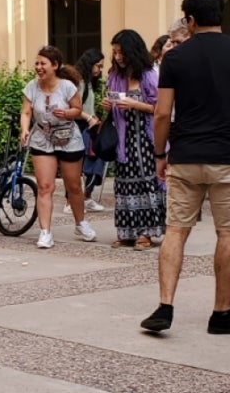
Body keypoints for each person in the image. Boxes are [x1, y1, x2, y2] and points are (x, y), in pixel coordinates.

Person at [142, 0, 230, 335]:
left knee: (175, 231)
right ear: (221, 16)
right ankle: (222, 313)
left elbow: (162, 114)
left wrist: (160, 154)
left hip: (185, 157)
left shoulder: (175, 58)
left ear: (190, 19)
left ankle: (165, 306)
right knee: (228, 234)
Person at [20, 46, 97, 249]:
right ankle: (45, 232)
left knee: (73, 186)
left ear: (55, 65)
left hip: (67, 137)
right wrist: (24, 130)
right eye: (36, 63)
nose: (38, 67)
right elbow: (26, 112)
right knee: (45, 187)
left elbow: (78, 109)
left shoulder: (67, 87)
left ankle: (80, 223)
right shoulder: (31, 87)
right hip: (42, 137)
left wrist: (67, 113)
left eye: (43, 63)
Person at [101, 29, 164, 250]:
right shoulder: (114, 76)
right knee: (125, 185)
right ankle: (127, 231)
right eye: (115, 52)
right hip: (123, 139)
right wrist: (108, 104)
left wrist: (137, 105)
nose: (118, 57)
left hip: (145, 140)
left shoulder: (148, 75)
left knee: (146, 182)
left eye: (121, 52)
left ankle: (146, 232)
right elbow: (111, 98)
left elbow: (162, 108)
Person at [74, 47, 107, 212]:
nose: (100, 70)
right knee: (79, 165)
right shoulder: (79, 81)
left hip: (90, 127)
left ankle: (86, 196)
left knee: (95, 160)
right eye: (98, 66)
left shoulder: (87, 82)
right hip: (80, 127)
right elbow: (74, 108)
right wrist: (89, 118)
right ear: (90, 64)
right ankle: (72, 201)